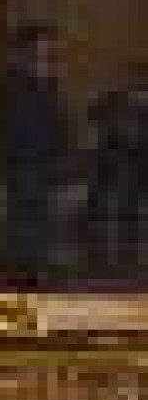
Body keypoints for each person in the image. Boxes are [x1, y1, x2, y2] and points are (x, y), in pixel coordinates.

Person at [0, 24, 70, 291]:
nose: (49, 57)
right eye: (43, 50)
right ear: (25, 53)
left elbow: (58, 132)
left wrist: (65, 175)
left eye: (52, 52)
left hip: (43, 175)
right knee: (18, 251)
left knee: (36, 250)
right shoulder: (9, 88)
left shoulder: (49, 86)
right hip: (18, 176)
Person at [81, 62, 148, 284]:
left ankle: (125, 255)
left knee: (129, 211)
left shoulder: (124, 101)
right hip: (111, 162)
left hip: (135, 164)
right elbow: (93, 115)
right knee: (100, 207)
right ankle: (97, 254)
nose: (137, 84)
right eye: (134, 79)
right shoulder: (113, 97)